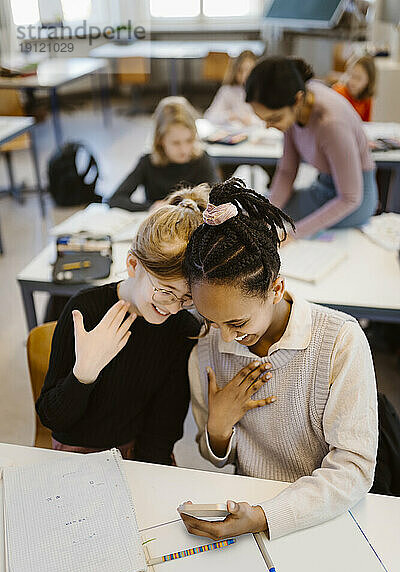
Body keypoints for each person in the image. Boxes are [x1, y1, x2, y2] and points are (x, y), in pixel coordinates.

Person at [179, 178, 377, 541]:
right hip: (248, 514)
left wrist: (264, 517)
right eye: (210, 320)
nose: (224, 337)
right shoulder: (206, 348)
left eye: (238, 322)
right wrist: (217, 430)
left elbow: (353, 468)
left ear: (276, 288)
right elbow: (214, 457)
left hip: (325, 516)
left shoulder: (339, 342)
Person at [36, 184, 210, 464]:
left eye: (187, 298)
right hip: (76, 454)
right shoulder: (86, 310)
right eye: (165, 290)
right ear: (133, 265)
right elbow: (52, 417)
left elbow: (162, 430)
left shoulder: (182, 330)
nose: (174, 307)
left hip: (137, 457)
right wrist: (84, 374)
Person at [245, 57, 378, 239]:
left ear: (298, 100)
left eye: (274, 118)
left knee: (287, 225)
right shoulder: (294, 103)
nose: (268, 126)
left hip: (355, 201)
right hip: (324, 187)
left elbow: (350, 198)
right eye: (263, 119)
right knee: (256, 210)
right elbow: (286, 171)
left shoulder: (332, 124)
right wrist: (265, 216)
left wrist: (293, 236)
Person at [108, 97, 219, 212]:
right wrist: (150, 207)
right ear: (160, 140)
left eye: (189, 140)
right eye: (176, 143)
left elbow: (218, 200)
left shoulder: (202, 159)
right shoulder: (148, 162)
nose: (184, 149)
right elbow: (115, 199)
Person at [204, 50, 260, 128]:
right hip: (235, 133)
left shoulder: (262, 90)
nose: (244, 76)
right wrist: (230, 115)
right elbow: (209, 116)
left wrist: (251, 120)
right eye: (240, 71)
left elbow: (271, 118)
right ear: (235, 71)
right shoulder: (227, 90)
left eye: (248, 71)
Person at [333, 55, 376, 122]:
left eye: (358, 78)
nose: (352, 81)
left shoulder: (367, 99)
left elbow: (367, 125)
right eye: (350, 75)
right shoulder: (338, 93)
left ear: (368, 81)